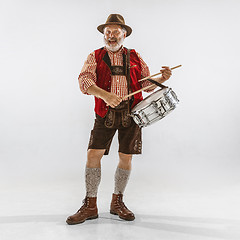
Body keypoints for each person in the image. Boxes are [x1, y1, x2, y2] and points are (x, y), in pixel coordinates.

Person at [66, 14, 172, 225]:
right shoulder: (94, 56)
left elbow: (147, 84)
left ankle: (117, 202)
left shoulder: (135, 56)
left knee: (126, 157)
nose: (111, 36)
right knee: (93, 154)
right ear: (104, 35)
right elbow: (84, 81)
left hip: (131, 115)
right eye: (108, 32)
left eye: (115, 32)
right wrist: (106, 95)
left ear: (124, 34)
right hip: (104, 113)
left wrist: (162, 78)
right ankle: (90, 205)